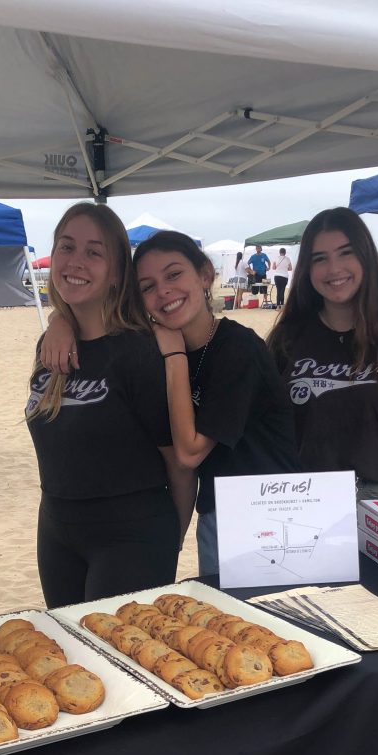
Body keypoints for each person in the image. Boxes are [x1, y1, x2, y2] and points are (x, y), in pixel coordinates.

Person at [28, 203, 196, 608]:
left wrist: (171, 538)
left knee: (113, 662)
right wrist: (60, 320)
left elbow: (179, 460)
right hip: (56, 528)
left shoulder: (139, 352)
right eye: (67, 248)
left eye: (94, 252)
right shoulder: (51, 343)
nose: (76, 262)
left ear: (118, 271)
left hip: (131, 535)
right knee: (71, 655)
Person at [133, 231, 300, 576]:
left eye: (174, 274)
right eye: (147, 286)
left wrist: (175, 355)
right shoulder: (157, 352)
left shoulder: (238, 348)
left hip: (270, 516)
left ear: (206, 274)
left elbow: (190, 453)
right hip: (214, 514)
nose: (163, 290)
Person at [266, 208, 378, 500]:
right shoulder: (286, 340)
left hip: (373, 500)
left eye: (345, 253)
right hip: (300, 498)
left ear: (366, 257)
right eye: (319, 258)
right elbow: (266, 434)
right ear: (307, 269)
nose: (334, 269)